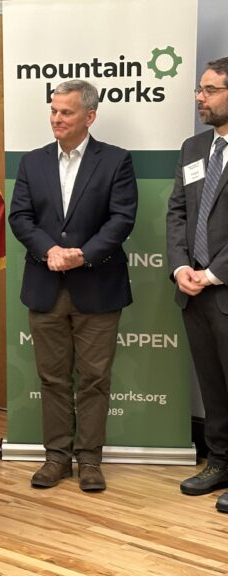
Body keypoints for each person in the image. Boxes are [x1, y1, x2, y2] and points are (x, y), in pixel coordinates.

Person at [9, 79, 138, 492]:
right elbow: (21, 217)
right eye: (53, 111)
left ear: (89, 116)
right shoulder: (32, 162)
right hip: (46, 285)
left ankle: (90, 461)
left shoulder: (116, 161)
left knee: (96, 378)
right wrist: (50, 250)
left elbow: (121, 219)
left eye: (65, 112)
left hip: (97, 285)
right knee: (53, 378)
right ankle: (56, 458)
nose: (56, 119)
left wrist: (80, 254)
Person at [167, 57, 228, 511]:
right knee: (212, 385)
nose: (199, 98)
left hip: (223, 285)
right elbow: (178, 213)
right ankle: (220, 463)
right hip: (194, 292)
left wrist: (212, 273)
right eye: (199, 89)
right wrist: (180, 268)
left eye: (209, 90)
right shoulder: (192, 148)